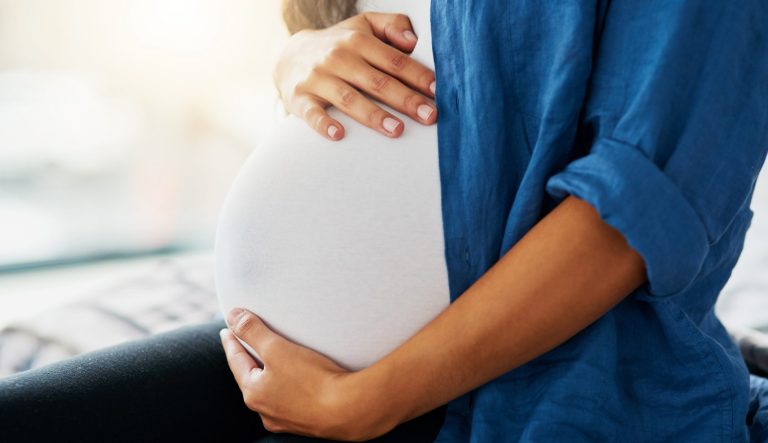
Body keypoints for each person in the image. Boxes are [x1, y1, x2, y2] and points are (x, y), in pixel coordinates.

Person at [2, 1, 768, 442]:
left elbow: (634, 213)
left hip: (536, 399)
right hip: (296, 375)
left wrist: (365, 402)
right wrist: (299, 57)